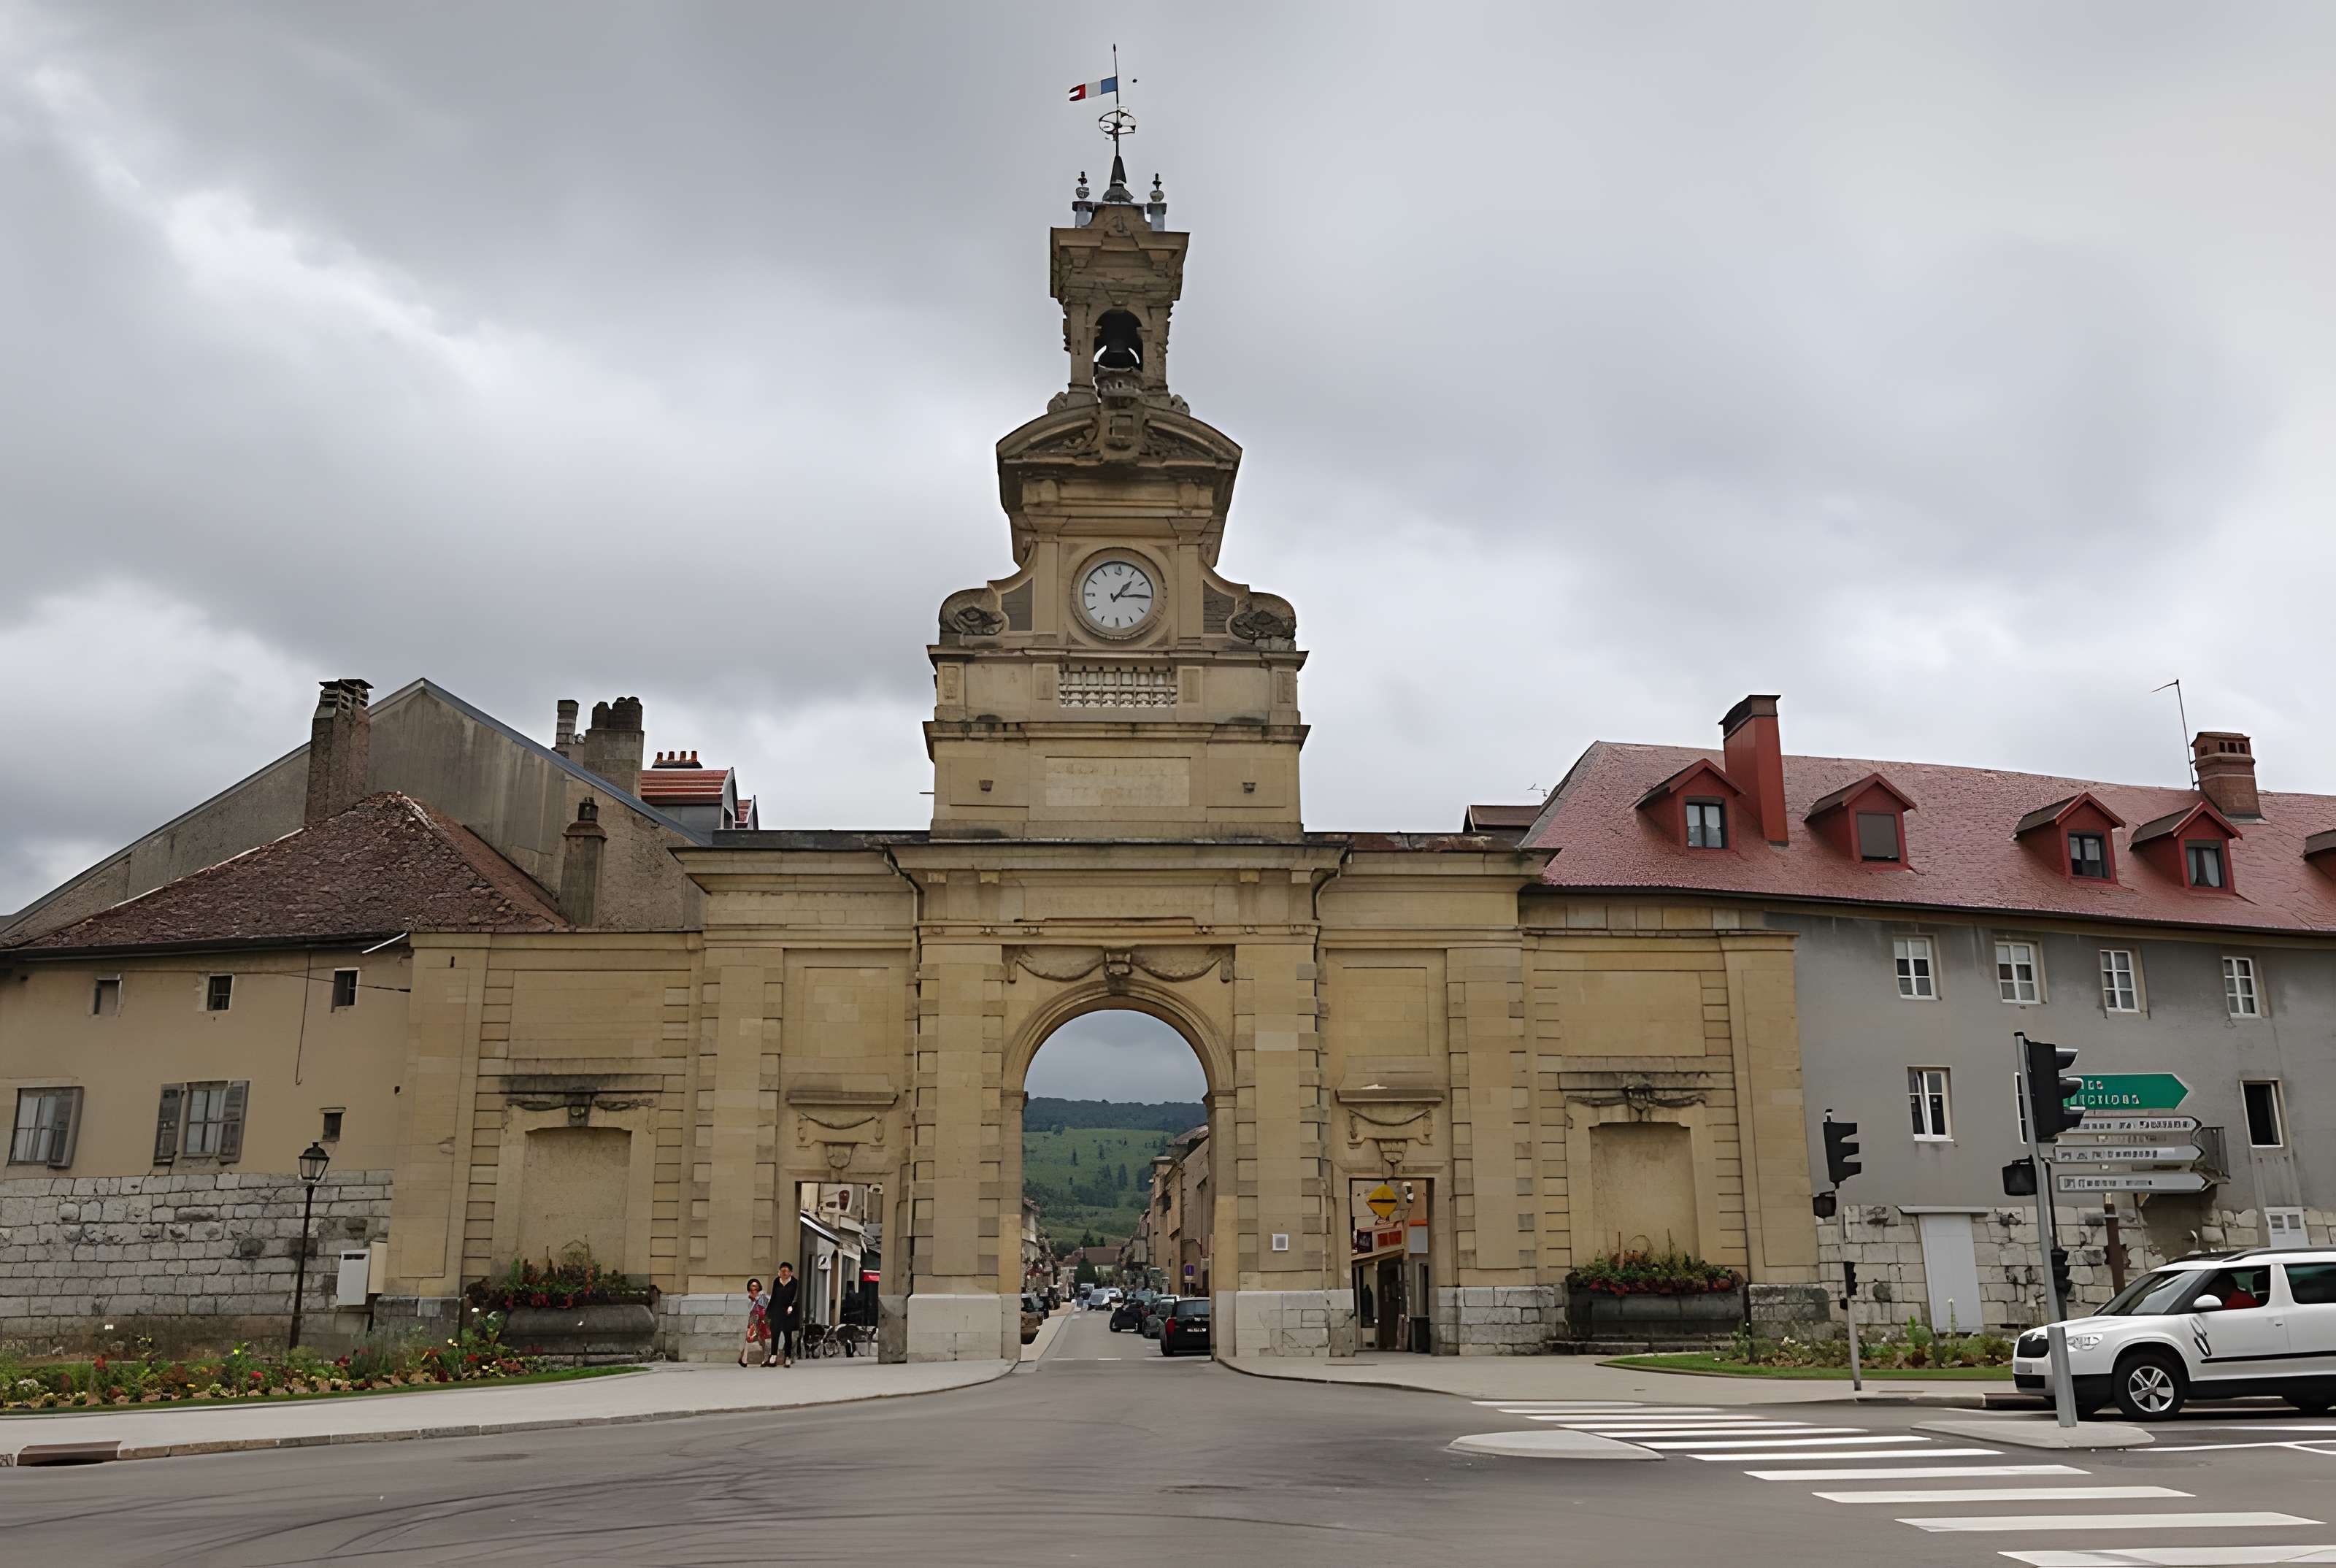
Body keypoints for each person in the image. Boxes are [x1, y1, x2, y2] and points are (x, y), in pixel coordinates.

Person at [767, 1262, 802, 1367]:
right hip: (777, 1311)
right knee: (775, 1334)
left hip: (789, 1312)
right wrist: (768, 1311)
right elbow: (773, 1296)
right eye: (782, 1271)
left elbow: (797, 1297)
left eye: (786, 1271)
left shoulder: (795, 1282)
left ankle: (788, 1357)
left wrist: (792, 1306)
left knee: (787, 1335)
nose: (784, 1274)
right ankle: (773, 1356)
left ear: (791, 1273)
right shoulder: (777, 1282)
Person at [738, 1278, 767, 1367]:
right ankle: (744, 1360)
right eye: (752, 1285)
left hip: (761, 1322)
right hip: (752, 1322)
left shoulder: (763, 1297)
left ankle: (765, 1359)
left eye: (756, 1285)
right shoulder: (747, 1299)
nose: (754, 1287)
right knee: (748, 1339)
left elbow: (765, 1309)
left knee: (763, 1340)